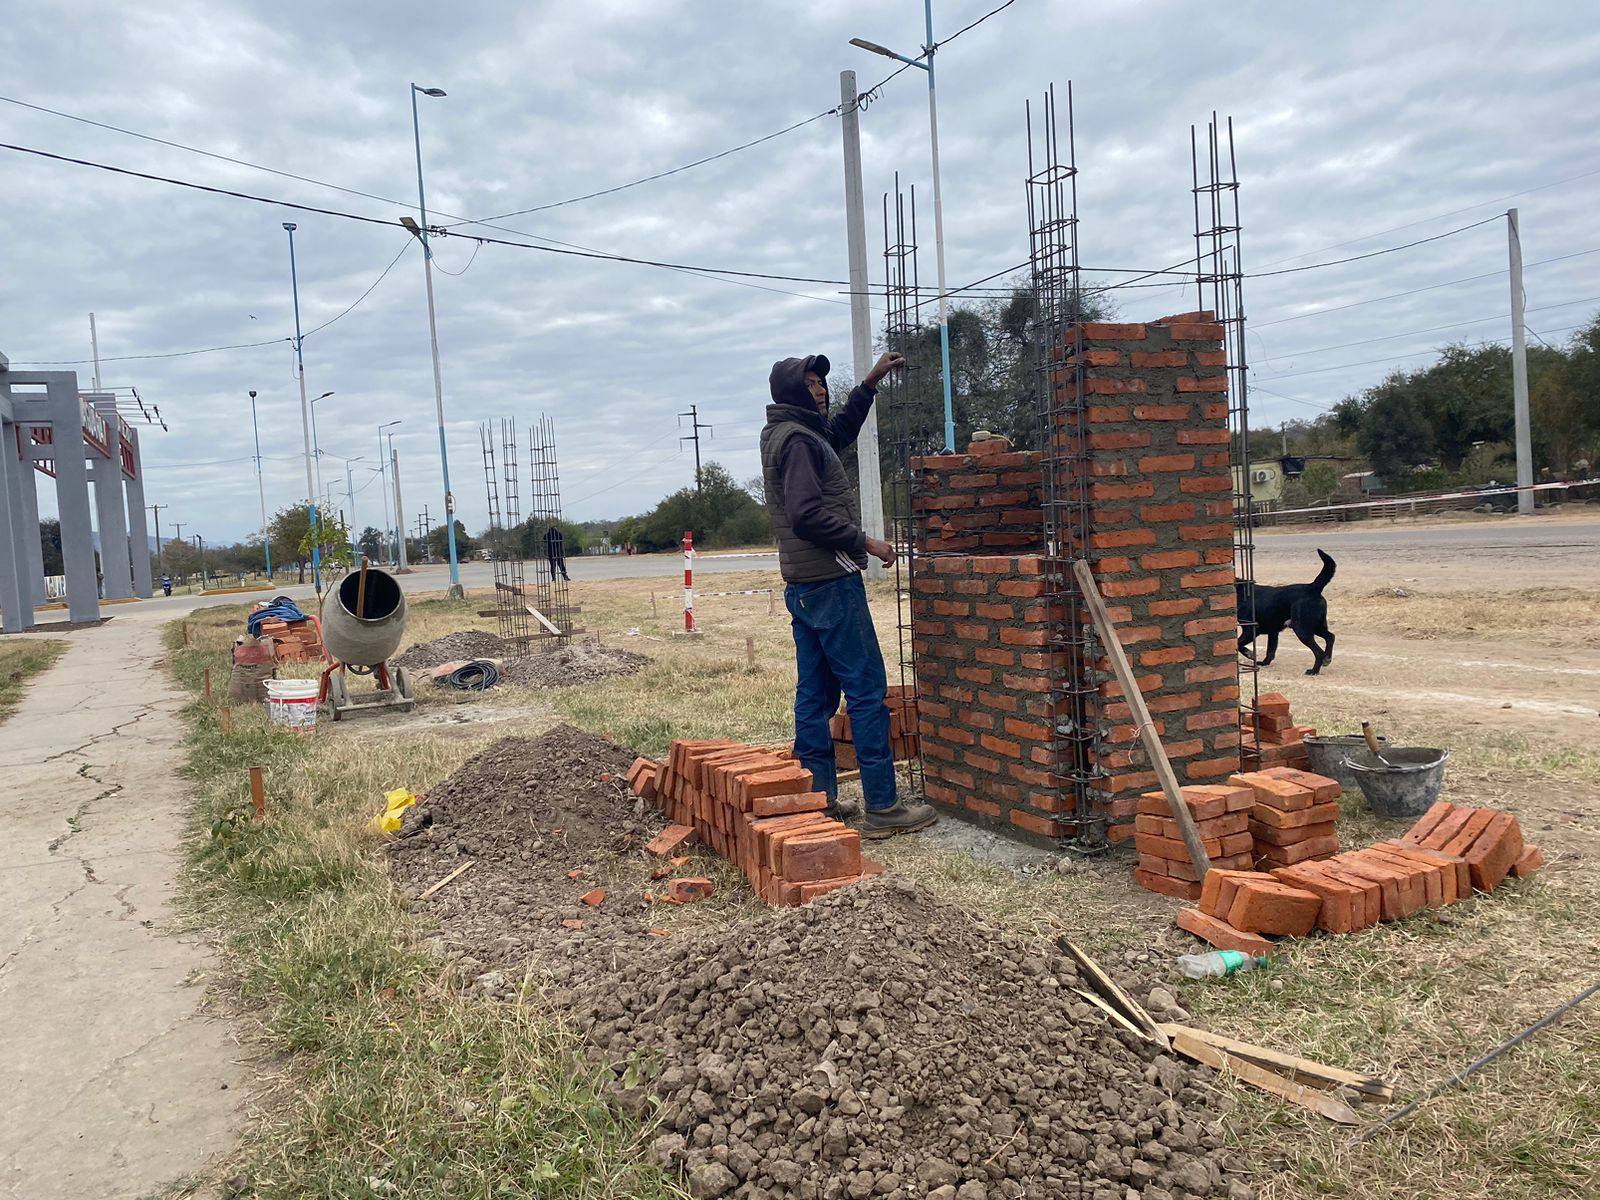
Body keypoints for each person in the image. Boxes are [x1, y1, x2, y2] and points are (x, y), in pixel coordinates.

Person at [760, 350, 936, 838]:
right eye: (810, 384)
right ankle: (883, 806)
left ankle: (819, 799)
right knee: (865, 689)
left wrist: (869, 384)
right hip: (831, 582)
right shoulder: (799, 441)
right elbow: (806, 515)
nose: (820, 390)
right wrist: (866, 542)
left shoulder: (792, 433)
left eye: (821, 383)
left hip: (804, 585)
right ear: (792, 392)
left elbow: (838, 432)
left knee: (815, 696)